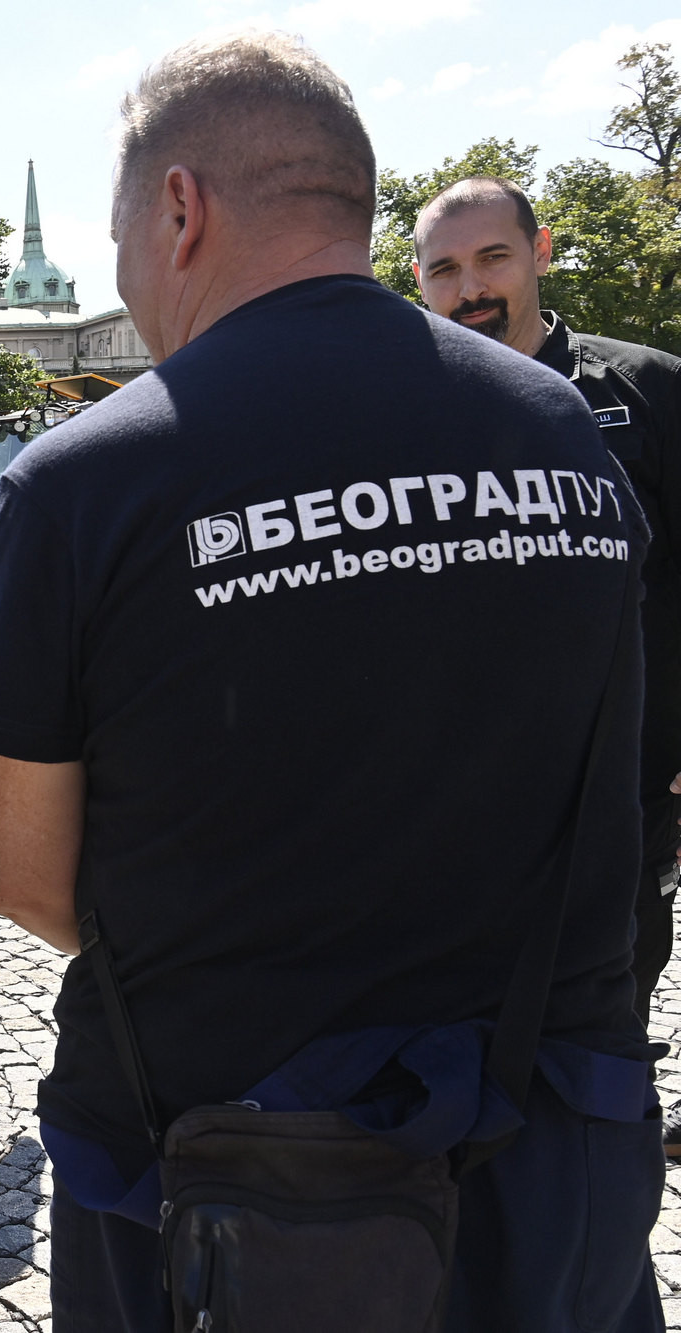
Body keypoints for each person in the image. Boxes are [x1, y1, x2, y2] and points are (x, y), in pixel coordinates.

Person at [0, 31, 660, 1329]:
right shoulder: (561, 426)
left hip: (233, 1172)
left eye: (121, 241)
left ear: (179, 210)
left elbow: (24, 874)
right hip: (550, 1144)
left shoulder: (84, 480)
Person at [413, 177, 681, 1152]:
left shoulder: (649, 388)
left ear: (541, 250)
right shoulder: (403, 409)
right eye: (444, 269)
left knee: (608, 1004)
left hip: (626, 781)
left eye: (492, 257)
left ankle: (594, 1191)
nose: (470, 288)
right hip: (450, 792)